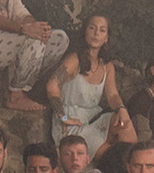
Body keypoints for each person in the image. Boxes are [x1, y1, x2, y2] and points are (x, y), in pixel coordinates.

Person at [49, 8, 130, 150]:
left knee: (125, 124)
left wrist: (121, 109)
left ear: (106, 38)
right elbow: (52, 85)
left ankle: (139, 159)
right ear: (85, 32)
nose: (96, 33)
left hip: (93, 118)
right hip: (72, 122)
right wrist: (63, 116)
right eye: (92, 28)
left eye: (102, 30)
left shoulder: (107, 66)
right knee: (109, 154)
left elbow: (113, 95)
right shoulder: (74, 60)